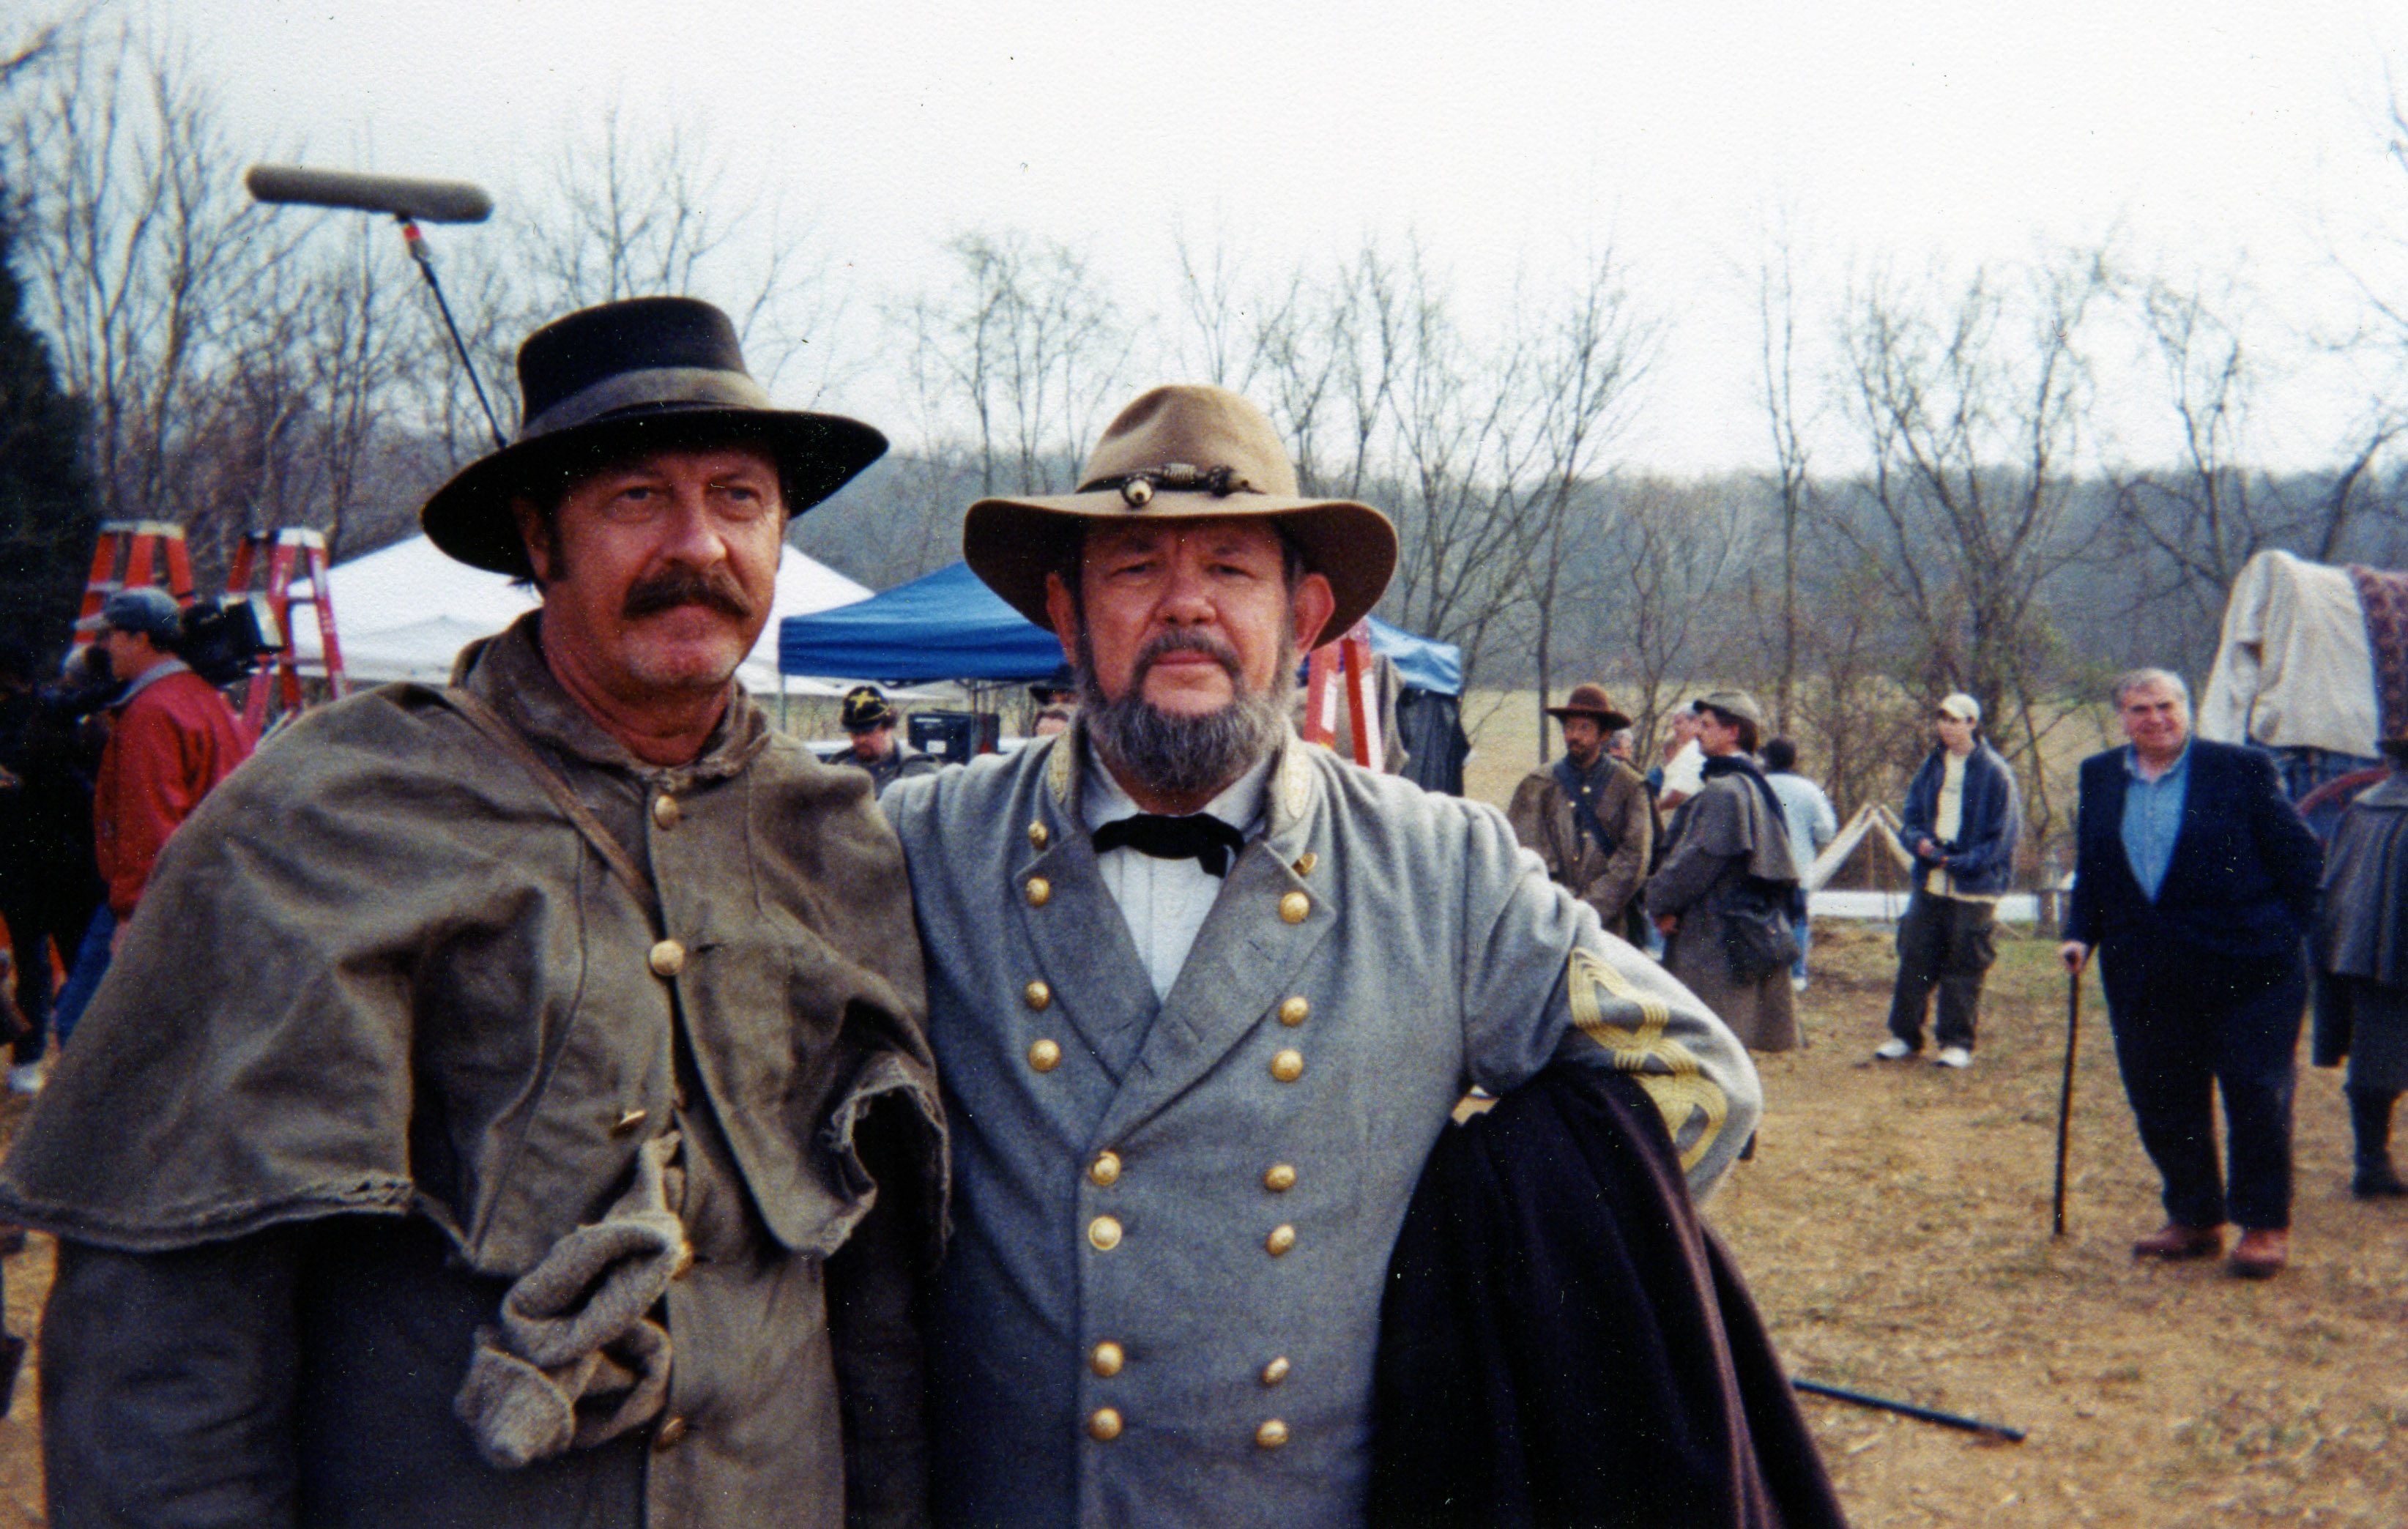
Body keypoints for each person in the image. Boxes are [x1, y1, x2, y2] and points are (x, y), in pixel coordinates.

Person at [0, 296, 945, 1525]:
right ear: (538, 539)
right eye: (634, 500)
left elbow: (870, 1300)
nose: (699, 544)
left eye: (737, 497)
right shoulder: (324, 817)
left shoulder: (832, 837)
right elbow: (170, 1327)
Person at [881, 384, 1761, 1525]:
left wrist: (1462, 1266)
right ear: (1065, 612)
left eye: (1232, 569)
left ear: (1307, 616)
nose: (1184, 606)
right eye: (1135, 568)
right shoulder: (922, 844)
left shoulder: (1441, 873)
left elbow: (1700, 1082)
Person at [2061, 668, 2322, 1279]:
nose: (2155, 718)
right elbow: (2096, 868)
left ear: (2188, 707)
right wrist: (2079, 933)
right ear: (2122, 717)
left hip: (2249, 970)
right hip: (2147, 971)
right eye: (2139, 709)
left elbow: (2302, 857)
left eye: (2166, 705)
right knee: (2163, 1097)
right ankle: (2195, 1217)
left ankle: (2262, 1224)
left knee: (2256, 1095)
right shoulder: (2099, 776)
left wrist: (2286, 934)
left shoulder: (2239, 768)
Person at [1647, 691, 1803, 1052]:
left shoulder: (1726, 790)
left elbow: (1697, 862)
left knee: (1707, 1047)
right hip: (1729, 930)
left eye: (1707, 725)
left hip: (1712, 937)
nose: (1697, 732)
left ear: (1733, 732)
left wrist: (1657, 901)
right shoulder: (1751, 782)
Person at [89, 586, 253, 928]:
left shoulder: (151, 711)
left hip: (162, 903)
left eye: (111, 635)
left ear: (140, 639)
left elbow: (150, 820)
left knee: (95, 984)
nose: (104, 647)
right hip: (213, 891)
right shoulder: (205, 697)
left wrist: (132, 915)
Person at [1876, 693, 2021, 1067]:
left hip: (1973, 890)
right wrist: (1920, 844)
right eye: (1942, 719)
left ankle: (1956, 1042)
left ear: (1973, 723)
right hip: (1929, 884)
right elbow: (1910, 818)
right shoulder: (1931, 766)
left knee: (1964, 963)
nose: (1947, 726)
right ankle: (1904, 1036)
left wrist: (1957, 862)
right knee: (1914, 957)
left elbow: (2000, 840)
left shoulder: (1995, 772)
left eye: (1956, 720)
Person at [0, 641, 105, 1091]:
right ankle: (81, 1061)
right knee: (79, 961)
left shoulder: (35, 714)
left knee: (33, 962)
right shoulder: (57, 712)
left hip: (18, 862)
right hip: (67, 861)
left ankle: (29, 1058)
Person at [2312, 732, 2408, 1199]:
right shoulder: (2376, 808)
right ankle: (2371, 1163)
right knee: (2378, 1060)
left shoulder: (2368, 806)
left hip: (2374, 951)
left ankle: (2373, 1161)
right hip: (2382, 953)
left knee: (2377, 1057)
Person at [1507, 682, 1654, 942]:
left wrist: (1589, 908)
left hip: (1609, 927)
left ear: (1604, 734)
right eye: (1570, 727)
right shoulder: (1538, 784)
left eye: (1585, 728)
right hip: (1549, 922)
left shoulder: (1630, 787)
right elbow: (1524, 852)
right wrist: (1557, 905)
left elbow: (1635, 857)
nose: (1574, 735)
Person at [1761, 736, 1837, 993]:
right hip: (1798, 868)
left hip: (1762, 867)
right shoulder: (1810, 790)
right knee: (1797, 921)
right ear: (1794, 760)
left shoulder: (1757, 786)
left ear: (1767, 759)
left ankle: (1765, 972)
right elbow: (1827, 831)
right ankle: (1795, 976)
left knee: (1762, 918)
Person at [840, 683, 940, 792]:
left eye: (868, 732)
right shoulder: (838, 768)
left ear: (889, 727)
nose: (861, 740)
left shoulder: (920, 769)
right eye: (855, 733)